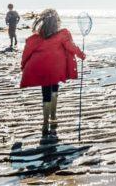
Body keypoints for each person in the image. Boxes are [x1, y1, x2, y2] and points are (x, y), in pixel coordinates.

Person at [20, 9, 86, 137]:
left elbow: (26, 53)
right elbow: (71, 47)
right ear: (56, 22)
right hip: (56, 68)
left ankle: (45, 124)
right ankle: (53, 118)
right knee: (54, 90)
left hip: (41, 67)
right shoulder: (63, 34)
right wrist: (81, 55)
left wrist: (23, 65)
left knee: (45, 93)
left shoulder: (36, 38)